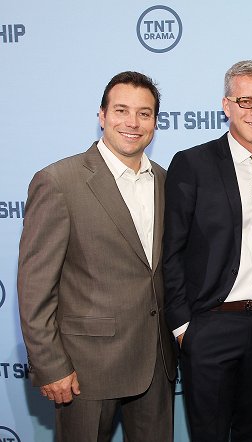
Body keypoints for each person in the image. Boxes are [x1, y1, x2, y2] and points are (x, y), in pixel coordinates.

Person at [17, 71, 176, 442]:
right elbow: (35, 286)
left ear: (155, 121)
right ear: (102, 116)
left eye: (144, 113)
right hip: (85, 369)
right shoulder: (59, 181)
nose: (132, 123)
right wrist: (51, 365)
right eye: (121, 110)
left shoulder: (168, 182)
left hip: (155, 362)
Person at [163, 60, 252, 442]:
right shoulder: (193, 164)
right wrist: (185, 328)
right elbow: (171, 251)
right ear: (226, 105)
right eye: (246, 101)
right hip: (210, 328)